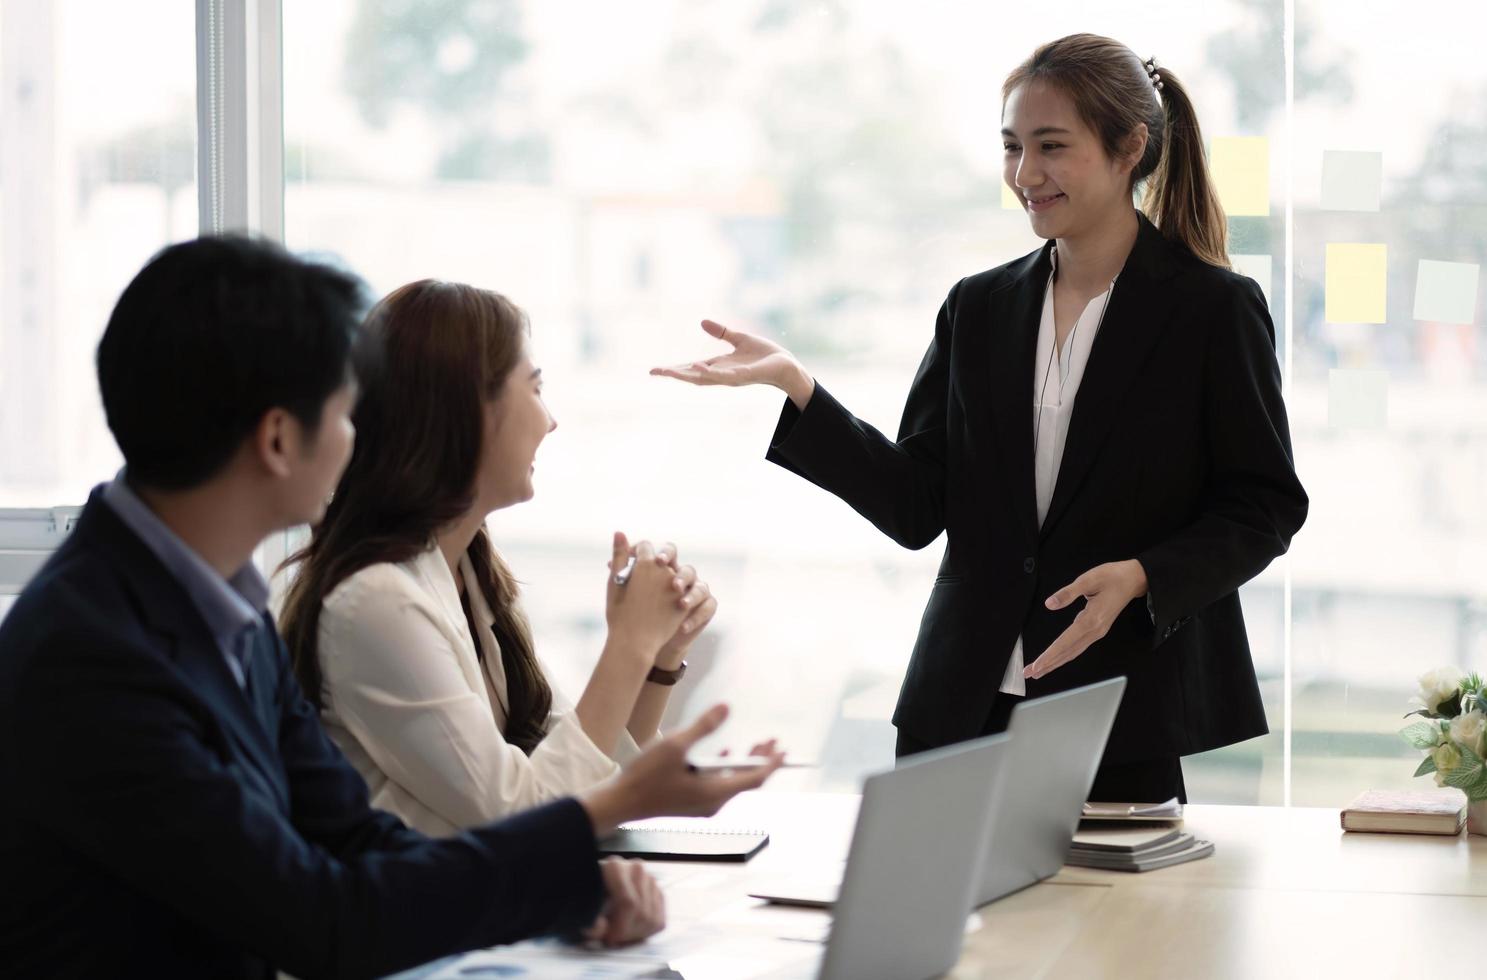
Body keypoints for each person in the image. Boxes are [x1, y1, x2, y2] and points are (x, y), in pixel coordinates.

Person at [0, 236, 782, 980]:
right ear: (278, 441)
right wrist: (595, 821)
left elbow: (357, 838)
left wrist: (562, 885)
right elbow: (322, 918)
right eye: (343, 415)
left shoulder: (213, 603)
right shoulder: (92, 656)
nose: (357, 440)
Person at [653, 33, 1308, 803]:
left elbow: (1264, 504)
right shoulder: (978, 306)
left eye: (1050, 147)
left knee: (1106, 926)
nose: (1025, 175)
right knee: (933, 917)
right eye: (1011, 148)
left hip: (1117, 710)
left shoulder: (1212, 310)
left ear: (1129, 147)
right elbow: (915, 505)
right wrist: (798, 389)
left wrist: (1142, 577)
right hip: (956, 705)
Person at [278, 280, 736, 835]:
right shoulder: (378, 603)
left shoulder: (466, 573)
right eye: (536, 389)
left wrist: (659, 657)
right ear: (467, 413)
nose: (550, 420)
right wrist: (629, 643)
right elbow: (527, 814)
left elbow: (598, 783)